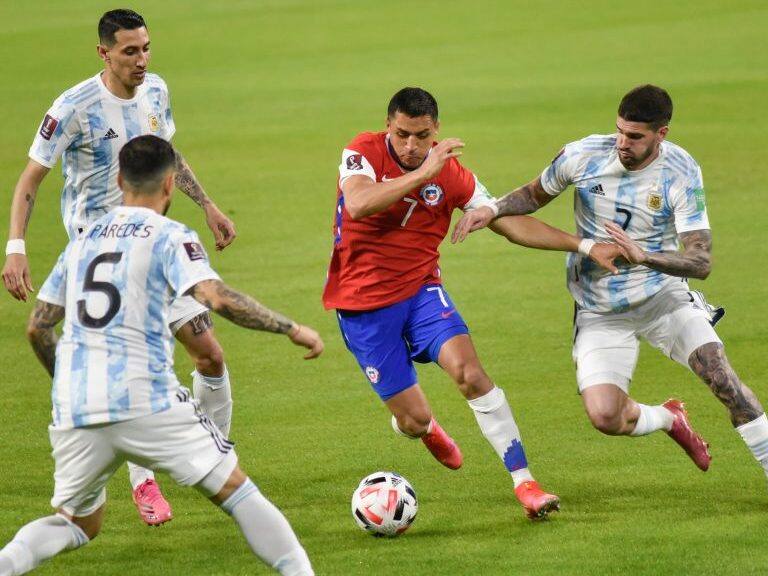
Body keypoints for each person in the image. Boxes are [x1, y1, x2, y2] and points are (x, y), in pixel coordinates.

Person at [0, 136, 323, 576]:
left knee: (77, 523)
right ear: (170, 185)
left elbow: (38, 327)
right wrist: (291, 328)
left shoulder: (82, 240)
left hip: (76, 408)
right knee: (238, 491)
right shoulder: (169, 235)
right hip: (145, 400)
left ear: (118, 180)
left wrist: (69, 384)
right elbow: (214, 296)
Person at [322, 87, 620, 519]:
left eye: (422, 136)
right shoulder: (362, 152)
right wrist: (425, 172)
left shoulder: (453, 174)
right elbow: (360, 203)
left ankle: (526, 483)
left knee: (471, 374)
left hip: (421, 292)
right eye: (402, 134)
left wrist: (587, 246)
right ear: (388, 125)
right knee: (413, 419)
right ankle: (421, 427)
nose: (411, 146)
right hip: (363, 306)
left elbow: (509, 222)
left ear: (436, 130)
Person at [453, 84, 768, 482]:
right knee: (605, 415)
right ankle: (669, 419)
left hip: (663, 298)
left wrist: (645, 256)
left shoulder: (681, 170)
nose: (623, 142)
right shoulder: (583, 155)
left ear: (661, 134)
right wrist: (492, 208)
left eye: (635, 136)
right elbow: (534, 195)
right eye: (620, 130)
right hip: (599, 308)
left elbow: (700, 261)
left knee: (724, 380)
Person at [1, 9, 237, 525]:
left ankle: (216, 452)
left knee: (210, 355)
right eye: (130, 51)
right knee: (136, 371)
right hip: (100, 258)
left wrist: (209, 205)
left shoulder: (155, 91)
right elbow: (29, 182)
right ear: (103, 53)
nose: (142, 60)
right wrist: (15, 245)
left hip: (153, 245)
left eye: (147, 47)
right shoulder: (73, 108)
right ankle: (144, 481)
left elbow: (166, 154)